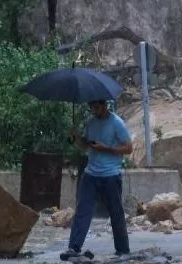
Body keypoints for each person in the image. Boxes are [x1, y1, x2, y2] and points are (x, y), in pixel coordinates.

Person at [60, 100, 134, 261]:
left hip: (110, 174)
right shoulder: (91, 123)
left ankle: (123, 250)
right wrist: (76, 137)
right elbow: (85, 146)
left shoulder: (117, 123)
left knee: (116, 213)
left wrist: (106, 148)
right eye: (92, 107)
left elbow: (128, 148)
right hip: (90, 173)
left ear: (104, 105)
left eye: (97, 107)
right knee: (82, 211)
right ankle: (73, 247)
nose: (94, 110)